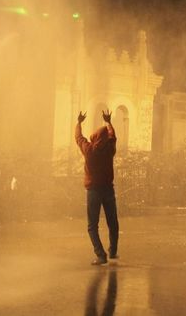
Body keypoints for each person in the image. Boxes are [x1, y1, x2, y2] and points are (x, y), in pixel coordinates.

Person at [76, 110, 119, 265]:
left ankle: (101, 255)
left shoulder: (89, 151)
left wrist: (79, 123)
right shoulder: (110, 150)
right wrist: (108, 122)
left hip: (93, 191)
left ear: (94, 138)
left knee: (92, 225)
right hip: (108, 189)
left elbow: (79, 138)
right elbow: (113, 135)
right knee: (112, 221)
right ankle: (113, 251)